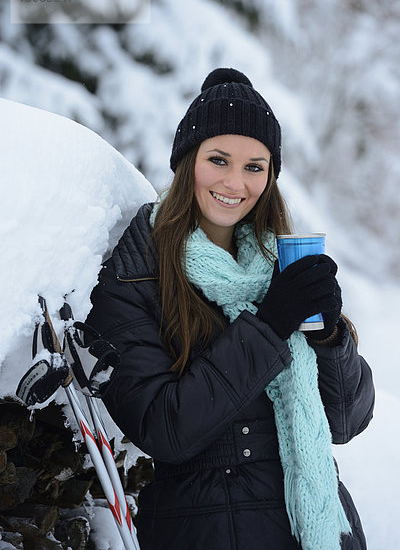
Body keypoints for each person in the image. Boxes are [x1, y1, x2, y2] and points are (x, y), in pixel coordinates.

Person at [85, 68, 375, 550]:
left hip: (322, 528)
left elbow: (345, 422)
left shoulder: (276, 264)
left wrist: (328, 338)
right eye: (218, 160)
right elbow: (163, 427)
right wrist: (269, 327)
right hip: (207, 529)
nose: (235, 183)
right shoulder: (139, 272)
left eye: (254, 166)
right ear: (186, 163)